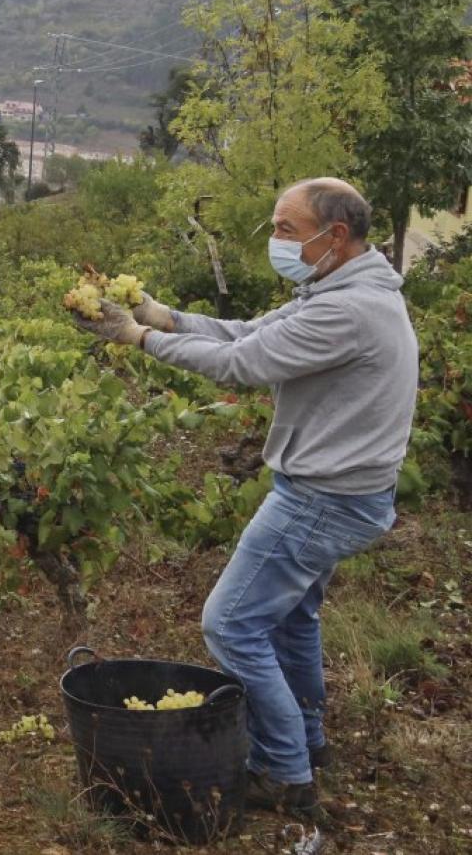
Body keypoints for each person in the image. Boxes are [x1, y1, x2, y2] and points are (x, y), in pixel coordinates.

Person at [72, 178, 417, 822]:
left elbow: (241, 366)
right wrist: (161, 316)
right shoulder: (340, 288)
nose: (277, 241)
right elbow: (245, 333)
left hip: (323, 498)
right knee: (289, 620)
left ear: (334, 235)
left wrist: (137, 340)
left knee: (229, 624)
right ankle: (308, 745)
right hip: (342, 492)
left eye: (287, 229)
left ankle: (282, 773)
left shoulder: (346, 310)